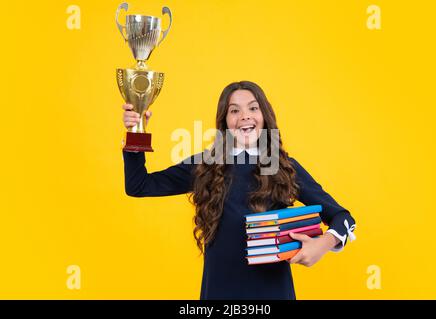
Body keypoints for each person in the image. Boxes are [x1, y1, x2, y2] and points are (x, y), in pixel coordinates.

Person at [122, 81, 356, 299]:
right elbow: (139, 185)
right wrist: (136, 131)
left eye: (253, 108)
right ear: (224, 121)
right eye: (234, 110)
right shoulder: (204, 165)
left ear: (264, 116)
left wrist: (322, 244)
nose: (245, 116)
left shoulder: (284, 167)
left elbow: (343, 218)